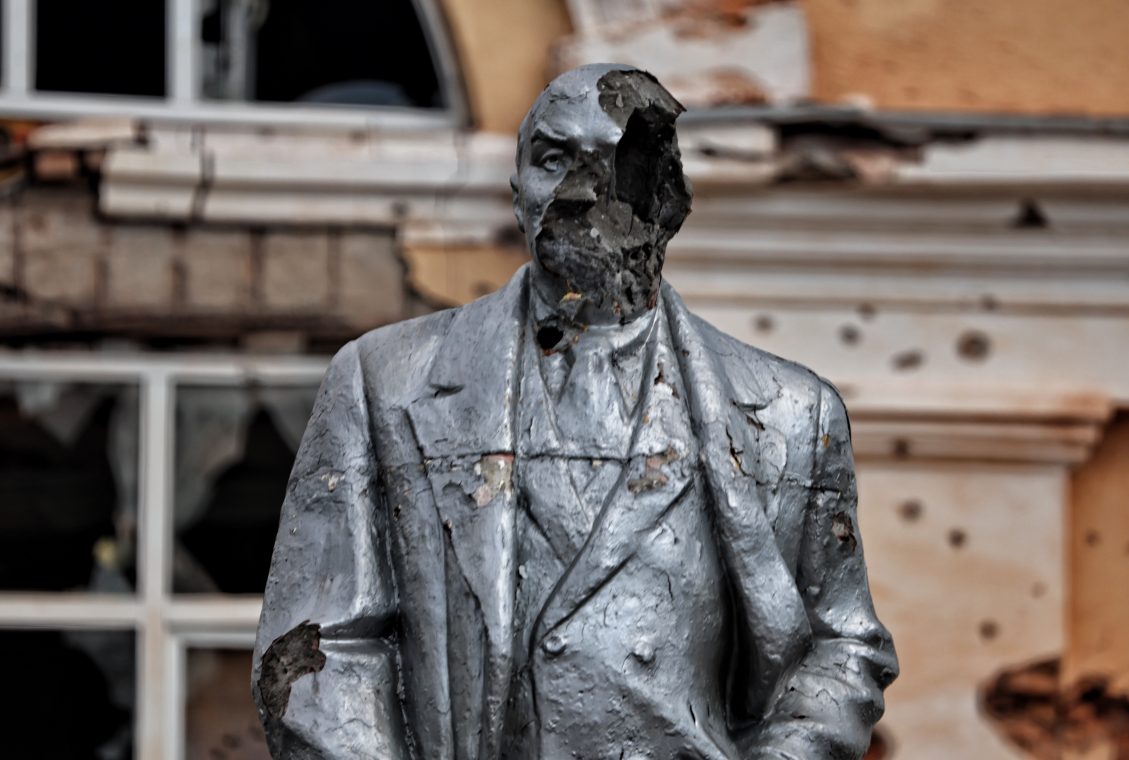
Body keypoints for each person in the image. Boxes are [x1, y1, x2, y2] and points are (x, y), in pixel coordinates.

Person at [253, 63, 897, 760]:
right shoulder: (386, 382)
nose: (580, 192)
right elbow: (320, 648)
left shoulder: (790, 415)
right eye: (553, 159)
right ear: (516, 190)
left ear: (670, 198)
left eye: (615, 162)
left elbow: (842, 647)